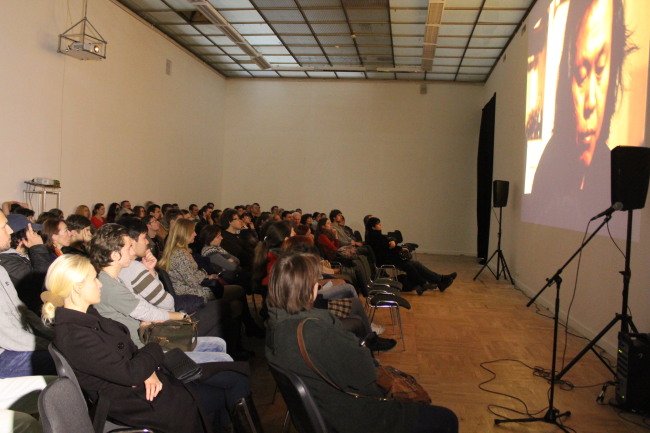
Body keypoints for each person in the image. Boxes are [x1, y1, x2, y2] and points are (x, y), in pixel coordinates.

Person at [42, 255, 252, 433]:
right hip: (138, 402)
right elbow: (130, 373)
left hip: (150, 380)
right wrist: (154, 346)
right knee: (234, 382)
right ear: (77, 288)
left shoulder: (87, 316)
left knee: (232, 375)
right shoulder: (74, 335)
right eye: (93, 279)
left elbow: (129, 351)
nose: (100, 283)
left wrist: (147, 368)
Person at [266, 252, 458, 433]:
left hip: (324, 409)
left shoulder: (276, 326)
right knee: (446, 419)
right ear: (308, 289)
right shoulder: (315, 331)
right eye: (316, 282)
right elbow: (366, 375)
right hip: (350, 416)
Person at [529, 0, 636, 227]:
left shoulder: (613, 173)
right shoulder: (550, 162)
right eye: (581, 74)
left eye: (599, 70)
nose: (589, 102)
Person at [365, 217, 456, 295]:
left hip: (389, 258)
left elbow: (388, 246)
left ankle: (436, 281)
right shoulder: (375, 237)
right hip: (387, 260)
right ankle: (427, 283)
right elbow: (387, 248)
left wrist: (396, 246)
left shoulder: (374, 236)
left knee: (415, 263)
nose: (380, 225)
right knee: (410, 265)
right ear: (373, 227)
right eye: (378, 224)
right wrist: (399, 248)